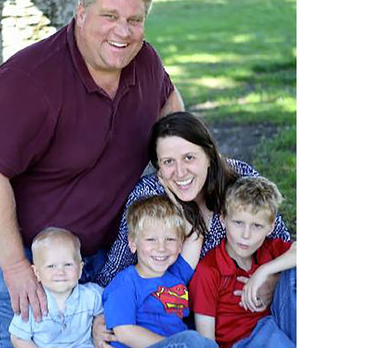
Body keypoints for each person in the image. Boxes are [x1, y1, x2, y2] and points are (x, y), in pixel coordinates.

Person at [0, 0, 183, 348]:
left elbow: (172, 110)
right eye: (109, 16)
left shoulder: (145, 62)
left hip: (85, 239)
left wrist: (183, 171)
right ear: (81, 12)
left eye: (134, 20)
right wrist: (16, 268)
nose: (123, 31)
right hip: (5, 229)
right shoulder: (27, 79)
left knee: (99, 337)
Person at [95, 111, 291, 290]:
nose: (180, 172)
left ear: (209, 155)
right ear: (158, 167)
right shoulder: (148, 195)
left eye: (189, 157)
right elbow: (115, 271)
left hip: (249, 298)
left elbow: (284, 240)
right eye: (168, 162)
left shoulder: (240, 177)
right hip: (175, 309)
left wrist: (271, 279)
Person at [102, 195, 258, 348]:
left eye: (170, 239)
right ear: (133, 243)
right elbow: (125, 333)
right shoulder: (126, 282)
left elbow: (196, 235)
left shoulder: (177, 275)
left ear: (180, 243)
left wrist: (173, 198)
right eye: (151, 239)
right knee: (192, 342)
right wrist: (175, 347)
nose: (161, 247)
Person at [9, 228, 153, 348]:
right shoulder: (33, 303)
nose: (60, 271)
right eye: (51, 266)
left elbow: (106, 310)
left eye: (68, 265)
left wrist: (99, 326)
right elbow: (18, 338)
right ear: (37, 273)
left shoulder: (90, 295)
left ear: (80, 268)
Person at [189, 176, 297, 348]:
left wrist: (263, 271)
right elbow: (206, 341)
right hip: (246, 343)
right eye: (238, 223)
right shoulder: (209, 270)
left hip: (279, 321)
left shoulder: (269, 249)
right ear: (223, 219)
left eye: (257, 226)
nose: (246, 235)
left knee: (295, 271)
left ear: (270, 227)